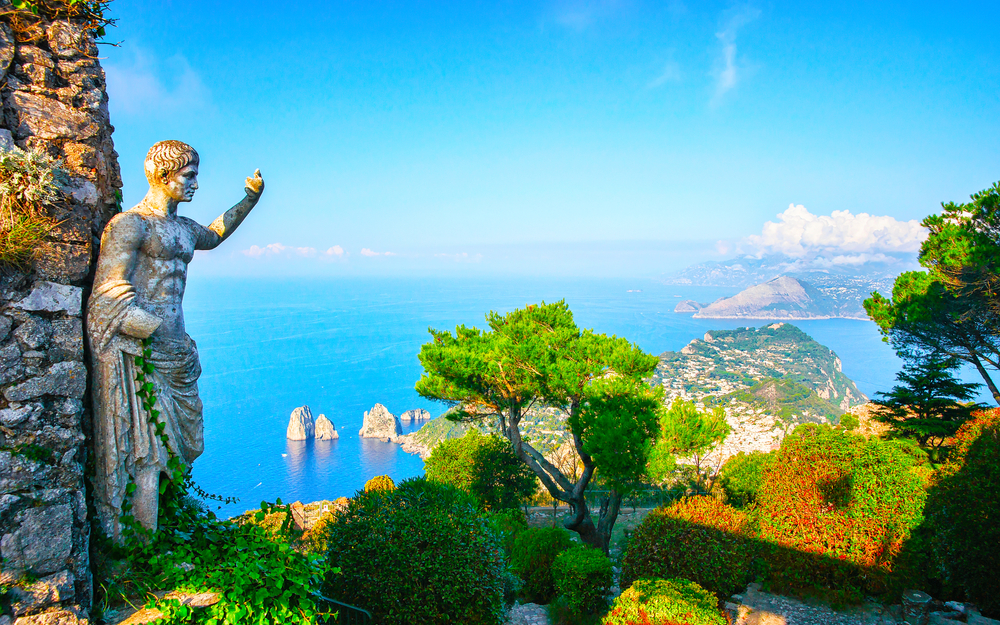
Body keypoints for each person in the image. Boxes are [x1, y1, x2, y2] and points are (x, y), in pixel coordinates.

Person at [87, 140, 264, 538]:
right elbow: (107, 294)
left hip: (177, 351)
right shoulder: (130, 225)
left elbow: (215, 234)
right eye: (189, 176)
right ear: (163, 176)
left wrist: (250, 199)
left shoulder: (183, 229)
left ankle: (161, 532)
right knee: (145, 448)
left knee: (177, 446)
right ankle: (137, 546)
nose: (196, 185)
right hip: (145, 351)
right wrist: (148, 330)